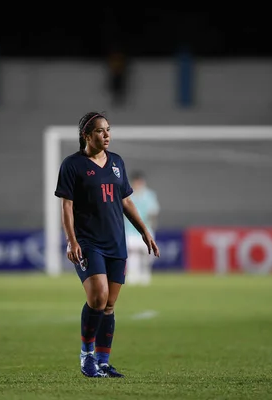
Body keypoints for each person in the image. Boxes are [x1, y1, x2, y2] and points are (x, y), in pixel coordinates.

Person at [54, 111, 160, 378]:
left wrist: (144, 230)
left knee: (110, 304)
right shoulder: (72, 165)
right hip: (89, 242)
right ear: (86, 135)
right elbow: (67, 206)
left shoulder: (116, 163)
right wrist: (71, 240)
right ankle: (86, 356)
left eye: (109, 130)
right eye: (101, 131)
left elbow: (125, 201)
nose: (107, 135)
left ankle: (103, 361)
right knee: (97, 297)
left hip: (116, 241)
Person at [124, 171, 160, 286]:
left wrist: (152, 227)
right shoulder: (127, 194)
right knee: (132, 255)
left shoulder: (149, 195)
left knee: (147, 254)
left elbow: (153, 212)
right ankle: (133, 276)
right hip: (130, 230)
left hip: (146, 230)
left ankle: (145, 275)